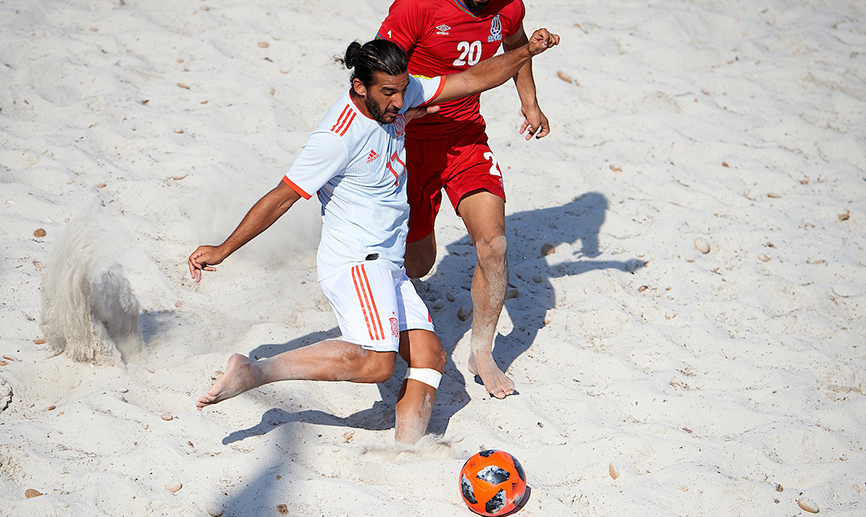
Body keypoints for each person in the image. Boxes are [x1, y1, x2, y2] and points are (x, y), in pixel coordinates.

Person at [188, 30, 559, 444]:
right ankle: (252, 371)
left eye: (402, 91)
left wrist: (525, 51)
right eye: (388, 93)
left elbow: (472, 79)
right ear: (359, 86)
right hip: (355, 261)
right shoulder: (336, 138)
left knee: (430, 358)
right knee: (378, 364)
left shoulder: (397, 97)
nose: (399, 102)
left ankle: (406, 453)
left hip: (388, 262)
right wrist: (223, 249)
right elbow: (280, 199)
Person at [377, 0, 551, 399]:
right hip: (409, 142)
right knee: (418, 265)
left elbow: (516, 46)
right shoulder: (417, 9)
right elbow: (376, 73)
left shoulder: (507, 7)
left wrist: (529, 102)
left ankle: (482, 353)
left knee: (494, 246)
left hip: (465, 139)